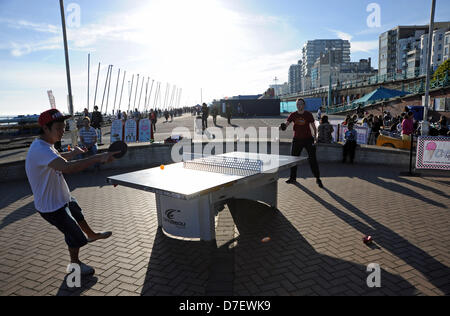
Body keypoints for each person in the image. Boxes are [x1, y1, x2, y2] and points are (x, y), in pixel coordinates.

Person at [25, 109, 118, 276]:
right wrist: (98, 157)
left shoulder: (46, 145)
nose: (63, 131)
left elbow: (57, 158)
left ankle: (91, 234)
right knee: (75, 236)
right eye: (59, 128)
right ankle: (75, 265)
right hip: (51, 207)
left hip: (63, 197)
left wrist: (72, 153)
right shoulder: (40, 149)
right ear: (46, 128)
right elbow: (68, 168)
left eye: (64, 127)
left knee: (77, 212)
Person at [281, 98, 324, 188]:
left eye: (301, 104)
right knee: (293, 159)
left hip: (308, 139)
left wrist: (315, 138)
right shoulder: (293, 115)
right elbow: (286, 124)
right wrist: (282, 126)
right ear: (296, 105)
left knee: (313, 160)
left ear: (304, 105)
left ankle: (318, 178)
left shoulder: (308, 114)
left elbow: (314, 128)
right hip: (297, 140)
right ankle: (293, 178)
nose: (299, 106)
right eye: (298, 104)